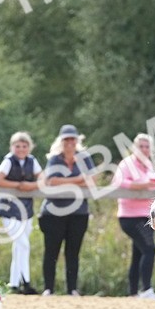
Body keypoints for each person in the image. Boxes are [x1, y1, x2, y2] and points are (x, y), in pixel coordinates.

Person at [39, 124, 95, 296]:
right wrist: (78, 180)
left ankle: (72, 289)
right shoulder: (55, 158)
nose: (70, 142)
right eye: (66, 139)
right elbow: (51, 180)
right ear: (61, 141)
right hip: (54, 213)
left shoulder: (84, 158)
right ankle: (49, 288)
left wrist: (66, 181)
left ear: (77, 140)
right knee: (51, 251)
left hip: (78, 212)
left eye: (72, 139)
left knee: (73, 252)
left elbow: (92, 181)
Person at [0, 132, 42, 294]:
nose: (21, 149)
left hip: (26, 209)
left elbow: (42, 179)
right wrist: (18, 185)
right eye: (18, 146)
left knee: (19, 247)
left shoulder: (32, 161)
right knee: (23, 244)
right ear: (12, 147)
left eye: (24, 146)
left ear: (29, 147)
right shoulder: (8, 161)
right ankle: (26, 282)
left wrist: (30, 186)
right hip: (9, 209)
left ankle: (14, 283)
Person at [113, 133, 155, 298]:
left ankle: (133, 292)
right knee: (149, 249)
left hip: (146, 215)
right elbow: (118, 183)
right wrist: (141, 186)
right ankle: (146, 289)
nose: (145, 149)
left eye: (147, 146)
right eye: (141, 146)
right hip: (130, 216)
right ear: (134, 148)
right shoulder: (126, 164)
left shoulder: (151, 166)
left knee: (138, 253)